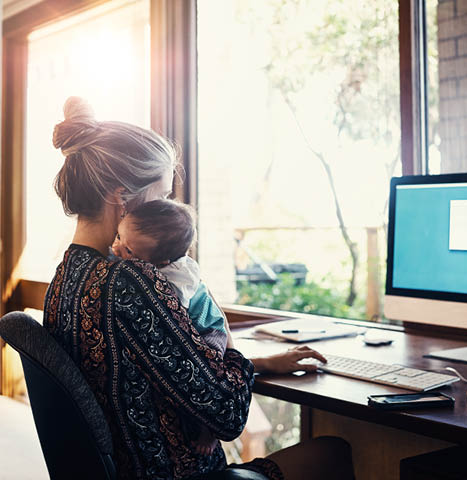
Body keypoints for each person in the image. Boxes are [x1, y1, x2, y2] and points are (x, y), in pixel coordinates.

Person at [44, 96, 355, 480]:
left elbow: (144, 371)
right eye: (160, 198)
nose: (166, 211)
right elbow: (227, 415)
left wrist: (260, 364)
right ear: (122, 199)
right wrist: (233, 351)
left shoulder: (66, 277)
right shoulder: (131, 280)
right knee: (332, 452)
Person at [112, 198, 228, 455]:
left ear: (161, 262)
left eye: (129, 251)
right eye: (118, 236)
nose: (117, 247)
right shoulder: (147, 260)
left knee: (208, 373)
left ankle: (209, 430)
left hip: (209, 328)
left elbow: (173, 315)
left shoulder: (177, 280)